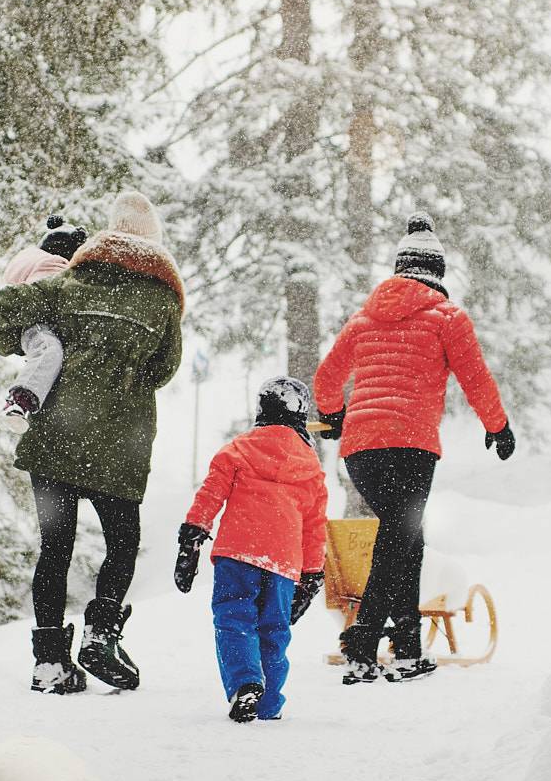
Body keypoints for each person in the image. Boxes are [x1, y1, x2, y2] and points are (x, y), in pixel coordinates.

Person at [0, 190, 183, 694]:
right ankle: (101, 632)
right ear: (153, 244)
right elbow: (163, 370)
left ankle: (50, 662)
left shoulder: (72, 283)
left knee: (55, 547)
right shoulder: (162, 300)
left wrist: (29, 346)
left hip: (58, 438)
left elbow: (4, 307)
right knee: (122, 544)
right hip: (120, 444)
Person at [313, 215, 514, 687]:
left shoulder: (363, 320)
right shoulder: (447, 318)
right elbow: (475, 377)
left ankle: (406, 645)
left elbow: (326, 377)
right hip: (411, 446)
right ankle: (364, 638)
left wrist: (335, 416)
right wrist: (498, 426)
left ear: (400, 270)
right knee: (398, 536)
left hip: (361, 450)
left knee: (406, 537)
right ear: (437, 274)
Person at [174, 377, 328, 724]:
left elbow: (211, 494)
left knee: (233, 618)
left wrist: (192, 538)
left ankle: (245, 683)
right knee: (275, 628)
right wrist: (312, 576)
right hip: (284, 561)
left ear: (262, 410)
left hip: (237, 552)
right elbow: (315, 526)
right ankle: (269, 702)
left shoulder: (238, 449)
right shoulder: (310, 467)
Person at [0, 213, 87, 420]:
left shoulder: (31, 260)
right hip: (38, 326)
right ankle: (19, 402)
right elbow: (47, 293)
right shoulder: (53, 264)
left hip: (32, 327)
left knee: (49, 356)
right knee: (49, 351)